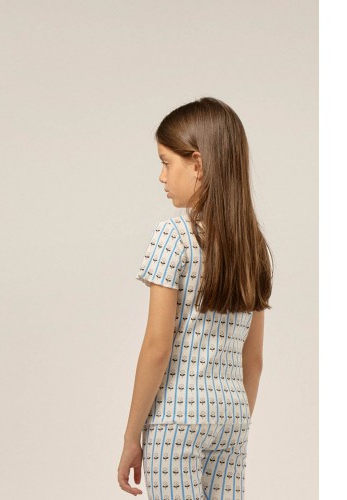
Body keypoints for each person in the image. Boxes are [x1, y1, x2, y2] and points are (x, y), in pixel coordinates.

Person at [117, 97, 273, 499]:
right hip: (233, 416)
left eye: (166, 162)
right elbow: (253, 359)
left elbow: (157, 347)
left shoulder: (174, 235)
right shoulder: (253, 248)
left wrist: (131, 436)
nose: (162, 176)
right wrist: (234, 420)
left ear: (198, 164)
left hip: (176, 419)